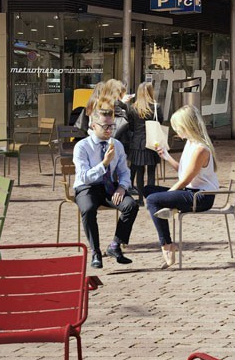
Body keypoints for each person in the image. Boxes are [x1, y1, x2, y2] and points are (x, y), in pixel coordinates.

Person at [145, 105, 219, 268]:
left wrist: (170, 193)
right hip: (190, 191)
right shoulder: (191, 144)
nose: (176, 131)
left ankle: (167, 245)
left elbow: (185, 180)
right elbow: (183, 170)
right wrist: (166, 156)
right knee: (148, 190)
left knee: (152, 200)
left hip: (200, 197)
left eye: (178, 128)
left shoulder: (200, 149)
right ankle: (169, 209)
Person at [73, 109, 142, 270]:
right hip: (87, 187)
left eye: (112, 126)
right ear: (93, 125)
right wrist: (104, 164)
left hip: (109, 186)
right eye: (105, 127)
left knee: (131, 206)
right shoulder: (82, 146)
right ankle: (95, 252)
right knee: (88, 209)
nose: (110, 130)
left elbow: (124, 171)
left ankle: (115, 245)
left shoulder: (116, 145)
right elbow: (84, 177)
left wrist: (122, 187)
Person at [120, 81, 162, 197]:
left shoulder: (133, 108)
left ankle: (140, 198)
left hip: (137, 143)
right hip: (153, 142)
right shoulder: (156, 107)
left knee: (139, 171)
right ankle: (151, 196)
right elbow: (160, 121)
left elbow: (131, 126)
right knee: (151, 171)